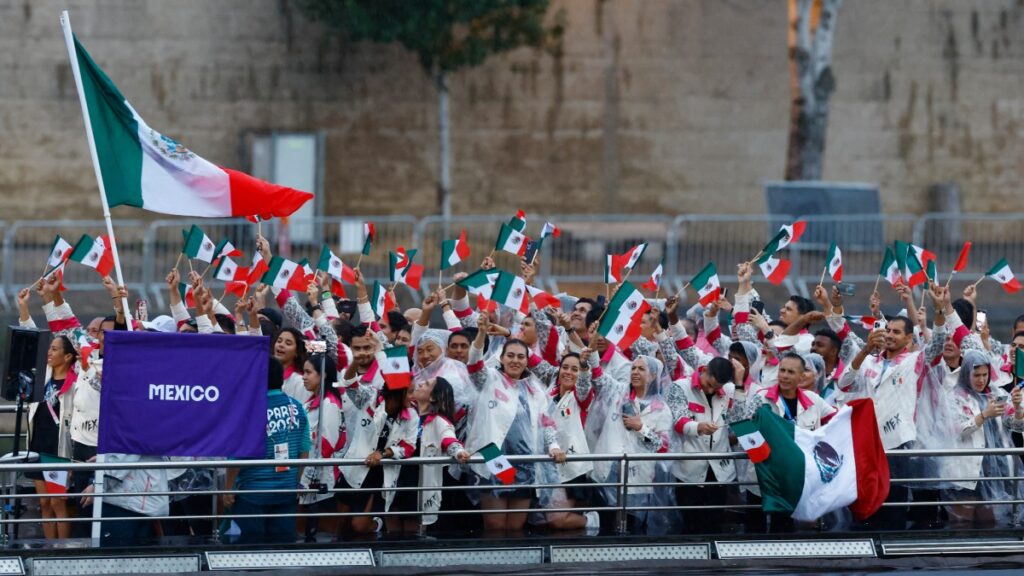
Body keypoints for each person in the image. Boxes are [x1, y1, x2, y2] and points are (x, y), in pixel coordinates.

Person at [465, 314, 558, 536]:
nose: (515, 360)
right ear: (502, 358)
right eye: (510, 356)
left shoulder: (535, 389)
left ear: (527, 360)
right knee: (496, 527)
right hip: (494, 458)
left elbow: (547, 423)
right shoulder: (488, 379)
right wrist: (480, 333)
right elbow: (474, 362)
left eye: (520, 356)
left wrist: (553, 445)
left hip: (525, 463)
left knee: (515, 528)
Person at [222, 358, 310, 544]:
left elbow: (237, 455)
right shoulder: (298, 407)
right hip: (286, 492)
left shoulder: (249, 409)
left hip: (252, 495)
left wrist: (228, 489)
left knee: (251, 553)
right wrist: (293, 481)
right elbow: (304, 450)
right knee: (283, 551)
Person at [337, 348, 419, 535]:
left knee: (360, 526)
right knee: (341, 523)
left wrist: (383, 454)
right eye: (410, 392)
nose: (414, 397)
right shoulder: (371, 397)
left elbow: (408, 448)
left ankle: (378, 527)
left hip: (380, 475)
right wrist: (355, 363)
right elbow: (349, 384)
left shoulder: (412, 415)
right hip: (354, 468)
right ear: (399, 391)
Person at [589, 355, 674, 535]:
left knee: (633, 529)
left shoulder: (662, 409)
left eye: (641, 369)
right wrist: (591, 352)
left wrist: (641, 428)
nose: (635, 372)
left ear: (653, 376)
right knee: (604, 527)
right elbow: (598, 375)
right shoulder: (619, 392)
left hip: (638, 480)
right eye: (633, 368)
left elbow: (663, 447)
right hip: (606, 472)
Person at [946, 350, 1024, 527]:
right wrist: (984, 415)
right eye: (976, 375)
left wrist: (1018, 408)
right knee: (962, 523)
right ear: (966, 373)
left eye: (985, 374)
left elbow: (1017, 426)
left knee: (988, 521)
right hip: (967, 468)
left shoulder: (997, 394)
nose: (981, 380)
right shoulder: (955, 397)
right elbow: (958, 430)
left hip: (994, 468)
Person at [667, 356, 739, 534]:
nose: (711, 390)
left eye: (717, 388)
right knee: (691, 523)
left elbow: (741, 417)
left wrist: (740, 383)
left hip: (720, 471)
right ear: (704, 370)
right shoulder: (680, 387)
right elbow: (678, 420)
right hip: (689, 470)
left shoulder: (730, 390)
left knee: (715, 522)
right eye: (709, 384)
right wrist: (698, 427)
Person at [393, 377, 471, 533]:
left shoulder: (439, 421)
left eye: (426, 384)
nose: (420, 383)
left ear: (433, 397)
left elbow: (449, 438)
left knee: (410, 535)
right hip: (394, 480)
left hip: (417, 485)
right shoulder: (407, 412)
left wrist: (459, 451)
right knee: (392, 532)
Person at [298, 354, 345, 541]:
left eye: (308, 372)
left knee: (322, 536)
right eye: (303, 372)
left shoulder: (329, 404)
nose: (304, 376)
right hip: (307, 477)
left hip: (322, 480)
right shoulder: (310, 403)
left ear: (323, 375)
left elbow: (325, 447)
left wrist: (305, 477)